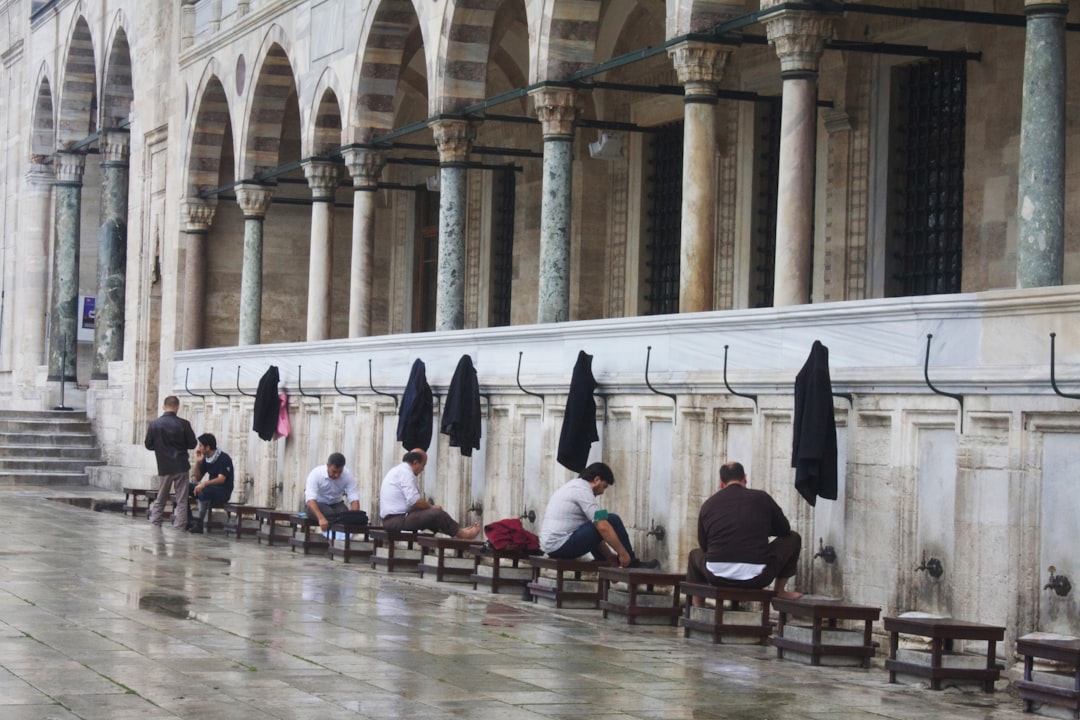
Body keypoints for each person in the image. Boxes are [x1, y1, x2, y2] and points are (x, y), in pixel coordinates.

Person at [687, 461, 802, 601]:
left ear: (721, 482)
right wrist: (760, 530)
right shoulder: (762, 498)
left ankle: (697, 605)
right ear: (745, 478)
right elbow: (784, 530)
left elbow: (704, 544)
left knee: (694, 555)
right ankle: (780, 590)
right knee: (793, 538)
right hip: (757, 577)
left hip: (716, 576)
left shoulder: (708, 504)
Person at [539, 462, 658, 568]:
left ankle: (606, 560)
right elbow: (602, 526)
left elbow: (594, 531)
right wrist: (623, 554)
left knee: (599, 521)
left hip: (554, 546)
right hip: (560, 546)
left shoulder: (573, 486)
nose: (602, 492)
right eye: (604, 486)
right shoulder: (582, 490)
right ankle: (632, 562)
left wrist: (610, 557)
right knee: (612, 519)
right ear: (596, 480)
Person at [379, 449, 481, 539]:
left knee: (431, 516)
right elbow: (414, 501)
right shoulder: (406, 473)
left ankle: (457, 531)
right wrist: (431, 507)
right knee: (437, 513)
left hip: (393, 519)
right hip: (396, 520)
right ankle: (462, 534)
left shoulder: (398, 470)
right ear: (415, 463)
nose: (422, 469)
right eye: (423, 465)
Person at [144, 395, 198, 531]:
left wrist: (160, 447)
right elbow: (192, 444)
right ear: (177, 407)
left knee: (161, 496)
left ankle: (156, 522)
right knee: (182, 499)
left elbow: (148, 445)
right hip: (181, 465)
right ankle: (179, 526)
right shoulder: (183, 424)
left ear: (164, 407)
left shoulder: (154, 424)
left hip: (164, 465)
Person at [186, 433, 234, 534]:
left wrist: (204, 484)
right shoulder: (206, 459)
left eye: (201, 445)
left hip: (223, 490)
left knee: (204, 490)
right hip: (211, 488)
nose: (199, 448)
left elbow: (221, 479)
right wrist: (198, 462)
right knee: (184, 488)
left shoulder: (223, 458)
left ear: (207, 447)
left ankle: (200, 523)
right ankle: (189, 519)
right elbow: (198, 477)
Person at [303, 453, 361, 532]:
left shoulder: (347, 475)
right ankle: (330, 539)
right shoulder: (316, 474)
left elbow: (353, 496)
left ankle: (343, 540)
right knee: (330, 514)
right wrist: (321, 518)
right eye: (334, 471)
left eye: (340, 472)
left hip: (336, 503)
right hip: (317, 504)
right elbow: (310, 499)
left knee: (345, 515)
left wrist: (354, 517)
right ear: (328, 466)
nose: (337, 475)